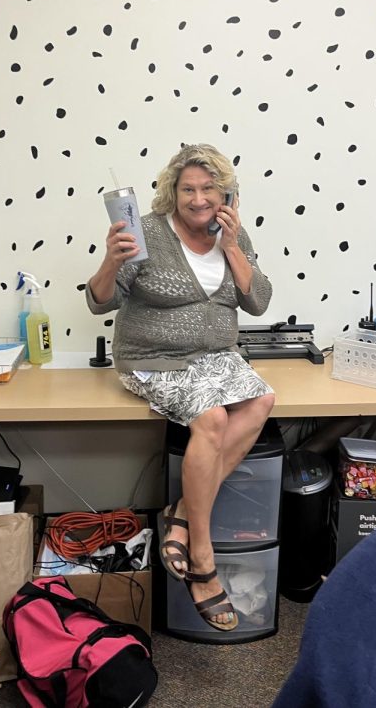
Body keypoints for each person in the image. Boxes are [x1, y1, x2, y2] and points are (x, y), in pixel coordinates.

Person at [86, 143, 275, 632]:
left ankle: (182, 511)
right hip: (154, 360)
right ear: (173, 192)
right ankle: (203, 559)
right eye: (188, 189)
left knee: (262, 400)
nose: (198, 199)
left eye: (208, 188)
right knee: (212, 419)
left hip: (215, 359)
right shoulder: (145, 232)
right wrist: (110, 261)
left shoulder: (234, 234)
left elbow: (258, 303)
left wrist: (232, 246)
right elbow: (100, 302)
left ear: (225, 193)